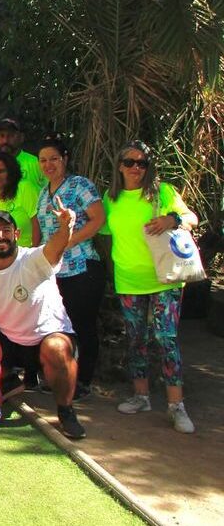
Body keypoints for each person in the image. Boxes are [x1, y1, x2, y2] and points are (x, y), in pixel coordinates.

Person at [0, 207, 87, 439]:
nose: (0, 237)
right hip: (10, 341)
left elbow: (56, 247)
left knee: (56, 348)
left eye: (6, 230)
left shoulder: (35, 258)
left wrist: (66, 226)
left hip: (48, 337)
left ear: (16, 234)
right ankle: (8, 380)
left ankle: (66, 411)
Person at [100, 141, 198, 433]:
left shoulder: (162, 192)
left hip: (164, 279)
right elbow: (100, 227)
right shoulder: (111, 197)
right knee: (135, 339)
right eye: (130, 162)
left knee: (166, 338)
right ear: (119, 165)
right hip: (129, 280)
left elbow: (191, 218)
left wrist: (173, 219)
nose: (135, 168)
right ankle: (141, 395)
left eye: (142, 163)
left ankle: (176, 405)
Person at [37, 138, 104, 395]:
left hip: (82, 266)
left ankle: (83, 381)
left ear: (65, 158)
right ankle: (61, 378)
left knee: (82, 323)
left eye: (53, 158)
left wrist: (70, 240)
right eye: (43, 160)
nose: (48, 164)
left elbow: (98, 219)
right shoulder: (44, 193)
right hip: (54, 271)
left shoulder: (80, 185)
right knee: (58, 325)